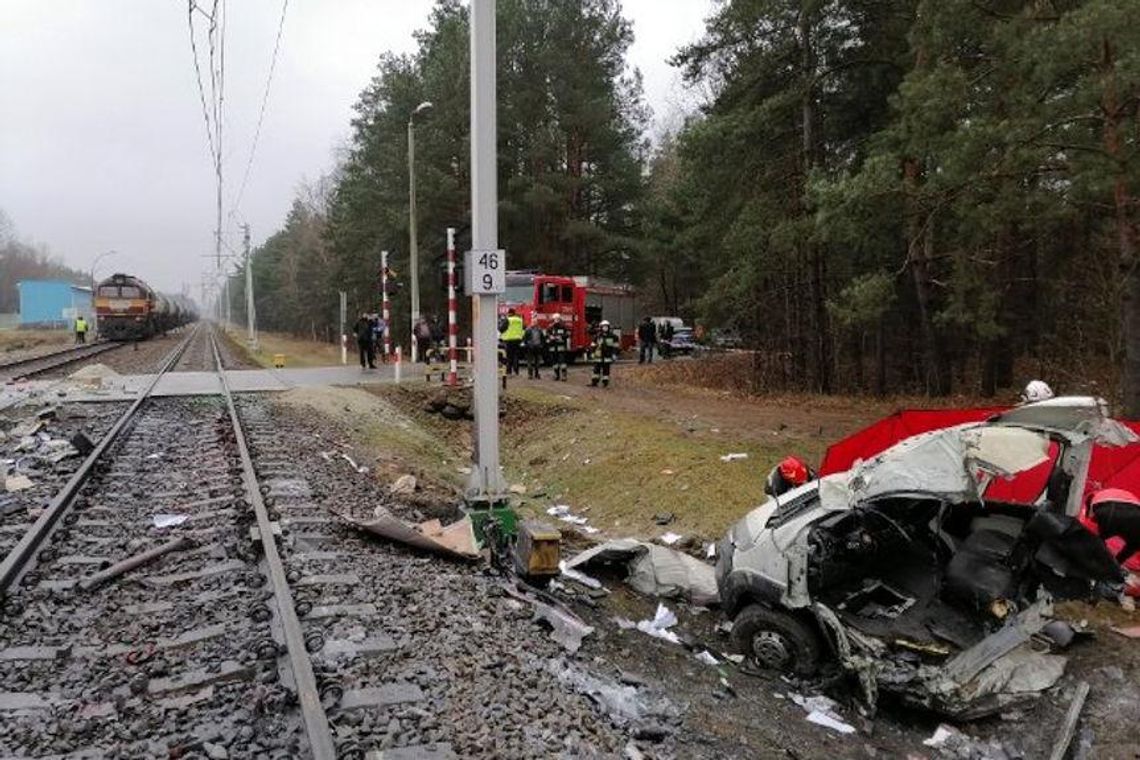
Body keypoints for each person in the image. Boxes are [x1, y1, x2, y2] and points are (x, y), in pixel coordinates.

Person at [1085, 488, 1140, 567]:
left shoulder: (1099, 496)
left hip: (1109, 510)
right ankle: (1108, 568)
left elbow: (1091, 518)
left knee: (1096, 542)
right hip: (1135, 516)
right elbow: (1128, 550)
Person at [589, 320, 619, 388]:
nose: (605, 328)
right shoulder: (597, 336)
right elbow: (593, 345)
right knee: (596, 370)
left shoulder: (613, 337)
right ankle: (594, 382)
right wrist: (592, 353)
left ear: (608, 327)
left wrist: (614, 354)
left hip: (607, 356)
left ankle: (605, 383)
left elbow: (616, 347)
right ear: (601, 327)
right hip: (598, 356)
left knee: (606, 370)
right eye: (603, 327)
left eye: (606, 327)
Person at [501, 308, 525, 376]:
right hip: (517, 340)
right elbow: (523, 328)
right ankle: (516, 371)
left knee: (509, 356)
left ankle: (509, 371)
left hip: (508, 340)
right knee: (516, 356)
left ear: (509, 313)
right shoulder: (520, 320)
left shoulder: (508, 320)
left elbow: (501, 328)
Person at [547, 313, 571, 381]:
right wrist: (550, 337)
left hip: (561, 347)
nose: (556, 320)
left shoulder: (563, 326)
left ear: (560, 319)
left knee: (562, 362)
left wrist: (561, 337)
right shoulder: (550, 327)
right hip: (553, 347)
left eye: (557, 319)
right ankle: (556, 375)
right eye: (555, 319)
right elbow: (547, 334)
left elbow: (568, 334)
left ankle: (564, 375)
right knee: (555, 362)